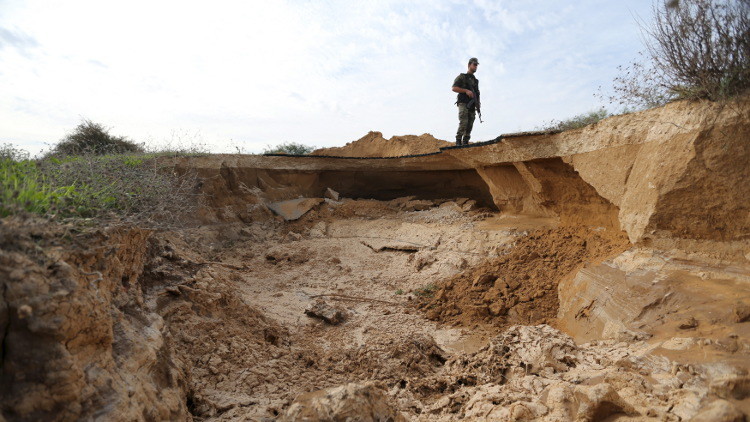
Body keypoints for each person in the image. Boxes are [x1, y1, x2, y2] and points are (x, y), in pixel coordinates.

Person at [452, 57, 480, 146]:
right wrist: (466, 91)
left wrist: (478, 104)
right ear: (469, 65)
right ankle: (458, 140)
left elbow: (477, 93)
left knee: (470, 124)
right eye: (474, 64)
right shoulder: (462, 77)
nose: (476, 67)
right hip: (463, 103)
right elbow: (454, 88)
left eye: (477, 65)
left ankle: (465, 141)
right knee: (463, 122)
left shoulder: (475, 81)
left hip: (472, 105)